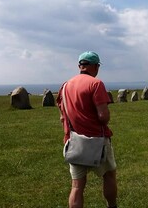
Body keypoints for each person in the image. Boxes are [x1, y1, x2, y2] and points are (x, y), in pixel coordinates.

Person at [57, 51, 117, 208]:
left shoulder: (65, 86)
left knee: (77, 186)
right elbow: (103, 117)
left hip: (74, 142)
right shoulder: (96, 84)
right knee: (109, 176)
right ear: (95, 66)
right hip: (98, 140)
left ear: (80, 66)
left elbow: (62, 116)